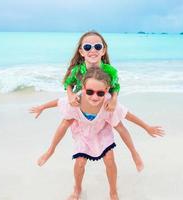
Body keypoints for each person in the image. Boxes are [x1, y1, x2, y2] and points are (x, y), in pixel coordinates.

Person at [30, 31, 162, 172]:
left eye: (97, 46)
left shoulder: (110, 71)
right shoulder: (77, 70)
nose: (93, 50)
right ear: (81, 51)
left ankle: (134, 153)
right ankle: (51, 150)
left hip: (103, 103)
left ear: (103, 50)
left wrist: (114, 100)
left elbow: (116, 87)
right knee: (66, 121)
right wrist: (69, 96)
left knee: (119, 125)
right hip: (81, 104)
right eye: (87, 47)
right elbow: (68, 83)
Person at [37, 68, 165, 200]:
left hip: (102, 131)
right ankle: (77, 188)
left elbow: (126, 118)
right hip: (83, 132)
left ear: (107, 89)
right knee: (80, 162)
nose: (94, 97)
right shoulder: (76, 101)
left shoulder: (108, 103)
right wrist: (42, 107)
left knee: (110, 158)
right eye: (90, 92)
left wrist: (147, 128)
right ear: (83, 87)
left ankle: (113, 191)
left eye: (100, 93)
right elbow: (59, 103)